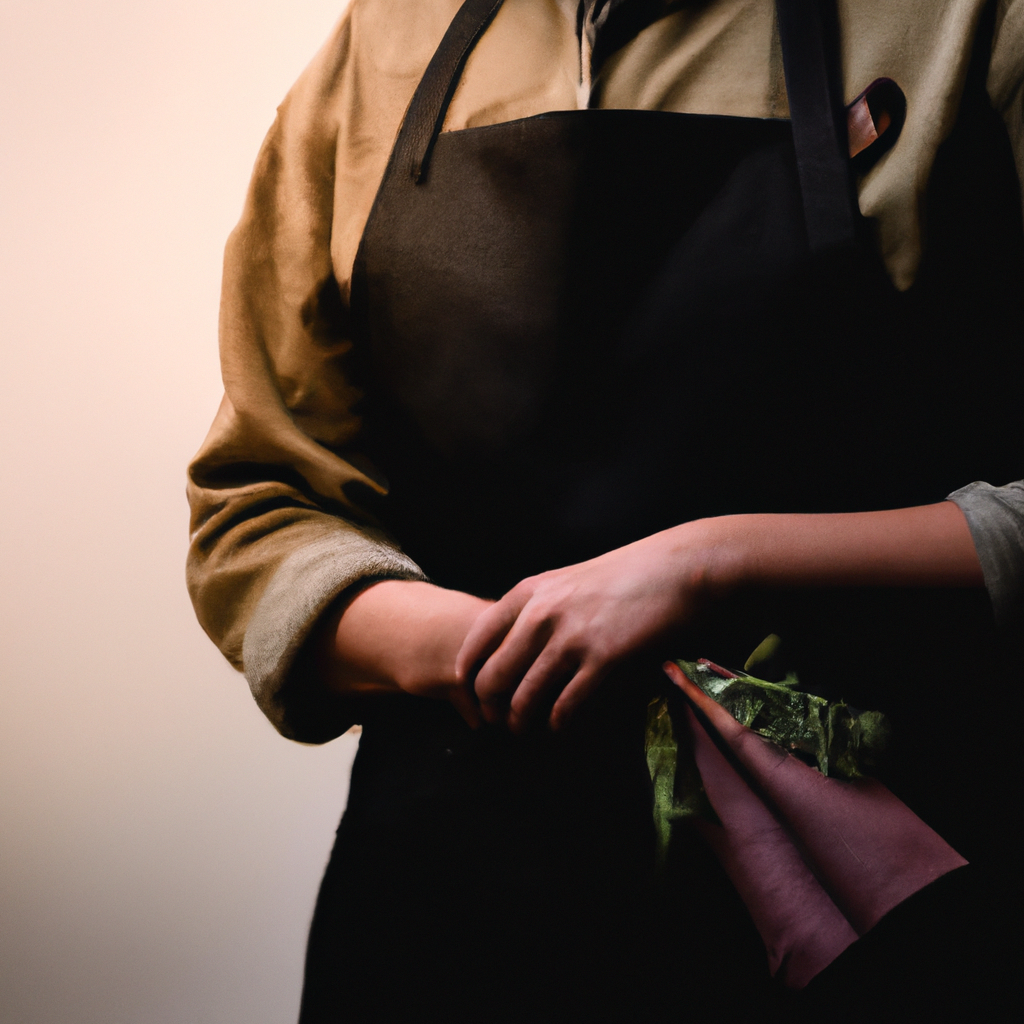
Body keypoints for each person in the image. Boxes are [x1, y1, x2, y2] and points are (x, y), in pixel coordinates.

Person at [187, 0, 1023, 1020]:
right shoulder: (385, 40)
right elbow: (262, 505)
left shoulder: (965, 24)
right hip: (447, 911)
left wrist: (715, 563)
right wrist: (479, 647)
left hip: (855, 899)